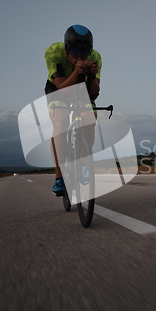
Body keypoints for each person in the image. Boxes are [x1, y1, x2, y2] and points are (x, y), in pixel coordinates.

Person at [44, 24, 102, 195]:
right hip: (58, 89)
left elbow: (94, 92)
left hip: (82, 91)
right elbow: (61, 87)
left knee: (88, 120)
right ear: (67, 49)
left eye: (84, 53)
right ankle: (59, 177)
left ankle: (83, 163)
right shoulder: (53, 51)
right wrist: (77, 73)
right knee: (60, 124)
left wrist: (91, 75)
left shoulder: (95, 57)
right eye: (75, 53)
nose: (80, 57)